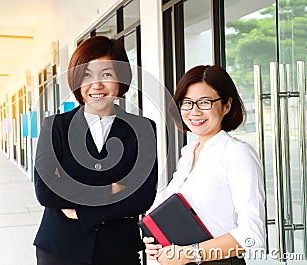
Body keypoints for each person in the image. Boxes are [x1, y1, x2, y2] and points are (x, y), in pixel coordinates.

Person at [33, 36, 158, 265]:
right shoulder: (55, 127)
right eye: (87, 75)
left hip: (118, 250)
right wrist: (111, 189)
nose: (96, 85)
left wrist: (81, 211)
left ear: (121, 78)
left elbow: (142, 196)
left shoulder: (144, 129)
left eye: (107, 74)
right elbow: (45, 191)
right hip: (60, 249)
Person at [144, 65, 265, 265]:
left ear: (227, 105)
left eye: (205, 102)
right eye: (187, 103)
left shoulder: (237, 153)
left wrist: (186, 254)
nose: (195, 111)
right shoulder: (188, 154)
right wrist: (157, 243)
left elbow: (252, 236)